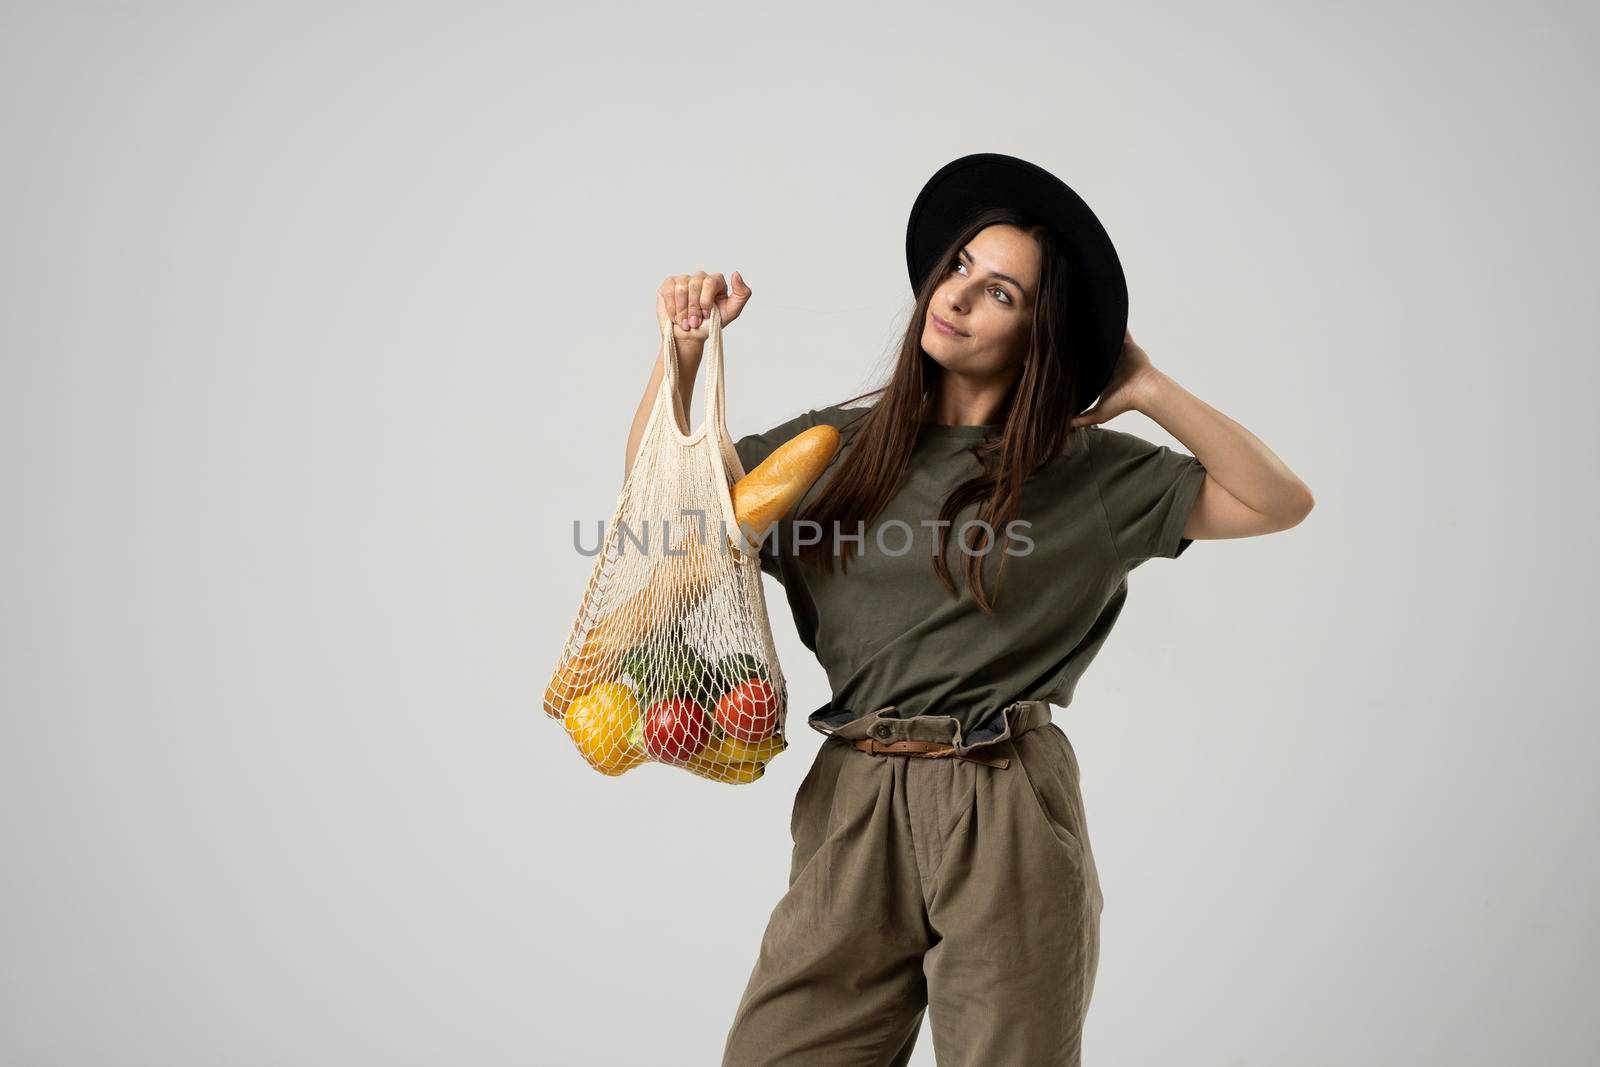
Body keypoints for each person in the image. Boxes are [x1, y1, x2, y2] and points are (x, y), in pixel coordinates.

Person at [625, 153, 1315, 1066]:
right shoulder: (833, 447)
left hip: (1006, 800)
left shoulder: (1087, 476)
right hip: (854, 795)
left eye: (1001, 293)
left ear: (1041, 333)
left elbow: (1276, 501)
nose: (957, 296)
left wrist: (1145, 385)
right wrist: (680, 356)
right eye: (958, 268)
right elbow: (664, 510)